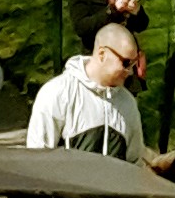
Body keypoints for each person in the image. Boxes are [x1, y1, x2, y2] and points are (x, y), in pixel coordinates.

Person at [28, 22, 147, 163]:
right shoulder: (57, 93)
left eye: (134, 64)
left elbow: (135, 163)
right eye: (126, 63)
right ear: (102, 54)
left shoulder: (128, 103)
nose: (130, 72)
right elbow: (37, 160)